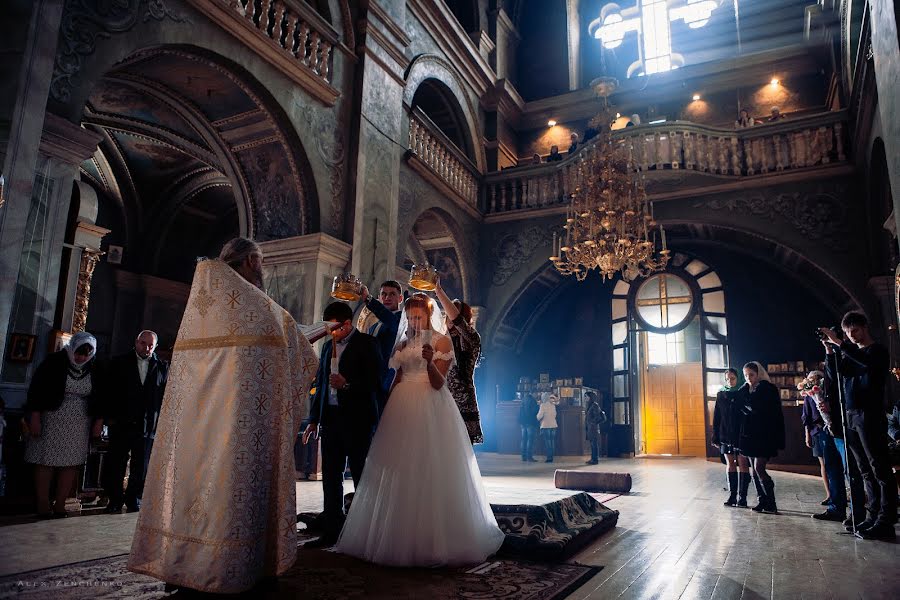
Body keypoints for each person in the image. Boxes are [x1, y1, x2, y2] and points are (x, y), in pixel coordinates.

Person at [128, 238, 320, 594]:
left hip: (195, 427)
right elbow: (297, 352)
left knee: (194, 495)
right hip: (240, 431)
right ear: (249, 262)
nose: (261, 270)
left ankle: (184, 564)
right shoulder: (257, 306)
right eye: (259, 262)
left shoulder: (204, 304)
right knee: (231, 498)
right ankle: (232, 568)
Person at [335, 293, 505, 566]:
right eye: (411, 317)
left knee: (428, 466)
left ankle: (432, 539)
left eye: (419, 316)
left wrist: (428, 362)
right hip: (401, 406)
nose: (414, 321)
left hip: (430, 403)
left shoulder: (441, 341)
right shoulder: (403, 343)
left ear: (429, 315)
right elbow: (398, 377)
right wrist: (386, 410)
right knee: (398, 468)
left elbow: (439, 384)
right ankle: (393, 535)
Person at [301, 301, 382, 548]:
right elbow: (322, 385)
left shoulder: (368, 344)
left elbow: (375, 381)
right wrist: (314, 419)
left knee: (360, 476)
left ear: (347, 324)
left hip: (358, 419)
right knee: (331, 478)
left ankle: (362, 533)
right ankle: (332, 531)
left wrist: (347, 384)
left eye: (335, 328)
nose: (332, 333)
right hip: (332, 420)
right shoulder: (327, 348)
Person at [821, 312, 896, 540]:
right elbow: (835, 376)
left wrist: (840, 343)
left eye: (854, 330)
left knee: (879, 468)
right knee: (864, 470)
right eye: (847, 332)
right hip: (851, 416)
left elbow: (865, 364)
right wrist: (829, 350)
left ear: (864, 327)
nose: (851, 336)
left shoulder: (877, 352)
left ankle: (886, 521)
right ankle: (872, 517)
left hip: (870, 415)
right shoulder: (850, 353)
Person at [24, 332, 105, 518]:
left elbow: (102, 397)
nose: (81, 358)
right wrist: (35, 417)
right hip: (51, 418)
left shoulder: (95, 367)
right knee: (46, 460)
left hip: (79, 421)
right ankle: (43, 503)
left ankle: (60, 504)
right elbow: (36, 390)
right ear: (72, 348)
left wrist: (98, 422)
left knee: (70, 463)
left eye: (86, 354)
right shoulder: (54, 362)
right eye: (78, 353)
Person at [103, 330, 169, 513]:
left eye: (150, 345)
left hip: (147, 425)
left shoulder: (163, 366)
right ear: (136, 342)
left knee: (141, 466)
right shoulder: (118, 362)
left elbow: (165, 396)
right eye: (143, 343)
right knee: (116, 463)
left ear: (155, 346)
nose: (146, 348)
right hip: (121, 423)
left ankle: (134, 500)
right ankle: (114, 500)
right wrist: (108, 419)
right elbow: (108, 392)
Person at [728, 362, 784, 513]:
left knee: (759, 468)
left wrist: (748, 406)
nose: (749, 378)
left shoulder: (767, 389)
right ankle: (763, 501)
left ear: (758, 374)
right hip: (749, 435)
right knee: (753, 469)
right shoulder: (745, 389)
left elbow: (766, 411)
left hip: (764, 435)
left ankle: (771, 503)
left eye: (751, 375)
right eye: (746, 375)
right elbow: (738, 408)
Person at [434, 277, 484, 444]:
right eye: (446, 314)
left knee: (459, 447)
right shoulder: (439, 340)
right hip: (440, 399)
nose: (448, 317)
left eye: (452, 312)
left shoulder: (471, 338)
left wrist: (439, 292)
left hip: (462, 402)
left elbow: (457, 321)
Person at [800, 370, 849, 522]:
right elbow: (807, 417)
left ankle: (855, 511)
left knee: (847, 469)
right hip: (822, 431)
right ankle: (836, 507)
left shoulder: (836, 386)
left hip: (841, 430)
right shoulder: (810, 395)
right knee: (831, 468)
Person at [359, 281, 403, 413]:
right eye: (383, 294)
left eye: (392, 294)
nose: (387, 298)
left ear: (400, 298)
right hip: (369, 381)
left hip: (388, 380)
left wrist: (368, 299)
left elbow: (390, 321)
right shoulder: (373, 326)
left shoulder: (401, 320)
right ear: (379, 297)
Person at [713, 368, 752, 507]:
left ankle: (743, 497)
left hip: (741, 434)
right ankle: (732, 496)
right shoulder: (721, 394)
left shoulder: (743, 392)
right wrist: (715, 436)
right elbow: (717, 415)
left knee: (742, 463)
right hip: (725, 434)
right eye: (728, 379)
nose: (730, 381)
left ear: (738, 378)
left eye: (733, 378)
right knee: (730, 464)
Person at [584, 391, 607, 465]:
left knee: (594, 444)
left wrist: (592, 422)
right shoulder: (590, 405)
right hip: (590, 427)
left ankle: (595, 459)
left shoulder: (595, 405)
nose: (585, 398)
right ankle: (593, 458)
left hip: (593, 428)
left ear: (590, 397)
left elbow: (597, 417)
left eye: (586, 396)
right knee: (592, 444)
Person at [537, 393, 560, 463]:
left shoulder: (543, 405)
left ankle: (549, 458)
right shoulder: (553, 405)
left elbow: (539, 416)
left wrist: (537, 417)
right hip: (553, 425)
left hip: (546, 426)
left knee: (548, 443)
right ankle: (551, 457)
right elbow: (555, 414)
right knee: (552, 442)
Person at [519, 392, 539, 462]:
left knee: (523, 439)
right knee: (530, 440)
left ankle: (523, 457)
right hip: (530, 422)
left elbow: (520, 411)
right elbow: (535, 411)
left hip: (523, 423)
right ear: (533, 394)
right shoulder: (533, 400)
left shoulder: (523, 400)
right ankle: (529, 457)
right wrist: (538, 406)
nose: (537, 395)